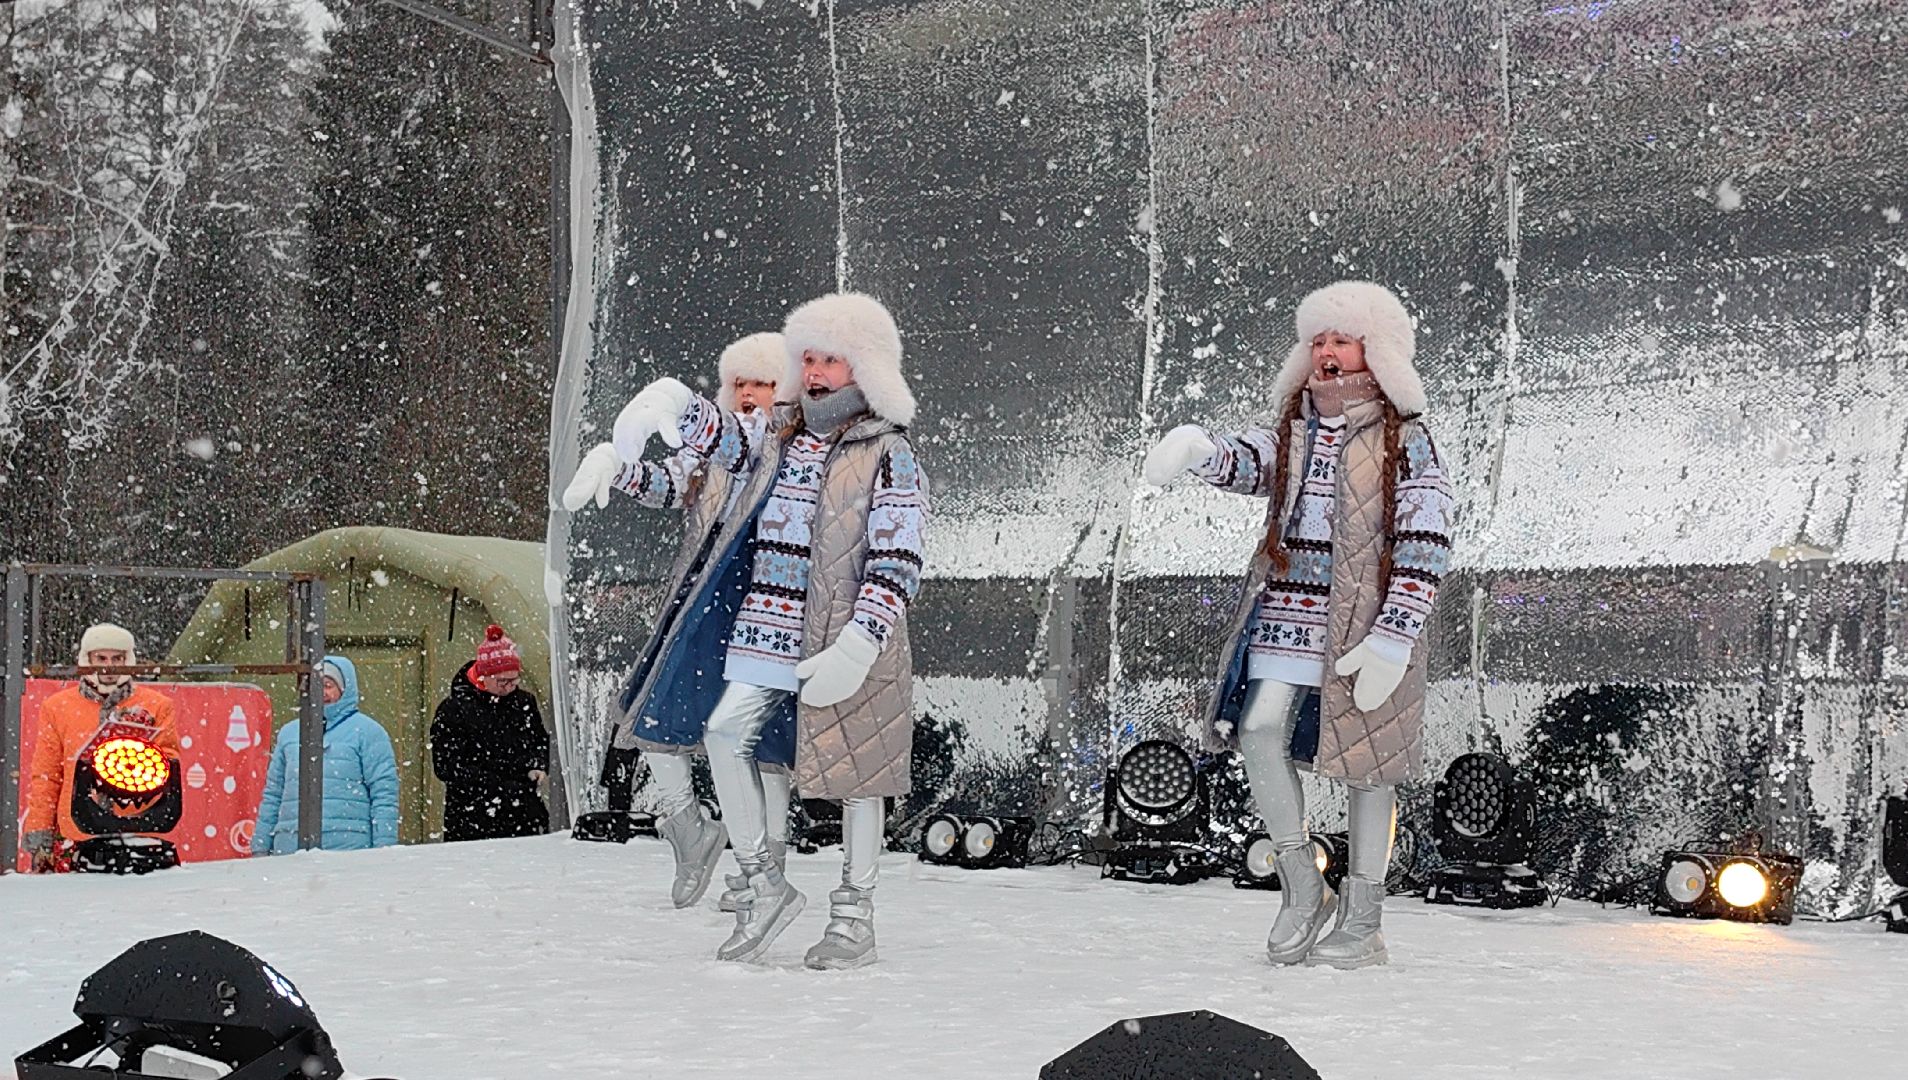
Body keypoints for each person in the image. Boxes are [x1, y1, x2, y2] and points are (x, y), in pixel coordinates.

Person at [603, 293, 928, 969]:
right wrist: (677, 403)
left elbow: (898, 555)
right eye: (807, 359)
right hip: (765, 627)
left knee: (857, 775)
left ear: (864, 366)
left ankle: (854, 916)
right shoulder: (779, 434)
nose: (815, 372)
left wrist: (861, 638)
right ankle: (762, 881)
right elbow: (727, 437)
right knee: (725, 735)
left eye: (831, 360)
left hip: (840, 636)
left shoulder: (889, 452)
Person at [1143, 280, 1453, 969]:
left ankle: (1364, 918)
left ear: (1375, 350)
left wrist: (1395, 633)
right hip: (1287, 614)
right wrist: (1198, 449)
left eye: (1341, 339)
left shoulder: (1405, 438)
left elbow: (1427, 539)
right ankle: (1302, 883)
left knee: (1369, 765)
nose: (1326, 352)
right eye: (1317, 340)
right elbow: (1247, 462)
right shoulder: (1294, 429)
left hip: (1363, 626)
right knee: (1258, 729)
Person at [565, 332, 792, 911]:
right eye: (739, 383)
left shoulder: (790, 445)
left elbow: (747, 450)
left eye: (762, 382)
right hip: (702, 596)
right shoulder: (718, 443)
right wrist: (617, 468)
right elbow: (672, 483)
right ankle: (689, 827)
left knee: (765, 740)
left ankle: (765, 865)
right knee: (656, 709)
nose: (748, 393)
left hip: (766, 598)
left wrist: (687, 410)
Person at [23, 623, 180, 873]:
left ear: (129, 660)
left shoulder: (157, 706)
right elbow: (47, 775)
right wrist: (41, 834)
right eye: (101, 658)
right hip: (75, 832)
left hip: (136, 829)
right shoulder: (57, 707)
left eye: (118, 658)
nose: (109, 667)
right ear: (87, 659)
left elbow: (168, 768)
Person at [252, 655, 400, 855]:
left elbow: (383, 795)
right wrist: (260, 845)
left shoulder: (368, 732)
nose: (321, 692)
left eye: (328, 685)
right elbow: (273, 794)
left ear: (345, 689)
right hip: (290, 847)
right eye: (315, 685)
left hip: (349, 849)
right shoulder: (290, 733)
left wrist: (384, 848)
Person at [430, 625, 551, 842]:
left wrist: (538, 765)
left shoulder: (524, 702)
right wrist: (496, 785)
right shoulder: (453, 710)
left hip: (522, 813)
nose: (509, 687)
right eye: (502, 681)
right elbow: (446, 766)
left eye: (514, 680)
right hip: (472, 817)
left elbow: (539, 741)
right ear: (482, 676)